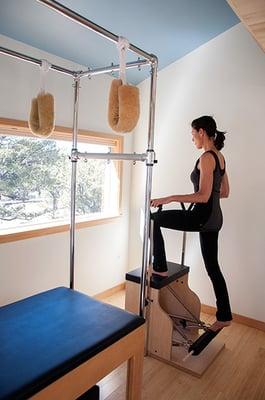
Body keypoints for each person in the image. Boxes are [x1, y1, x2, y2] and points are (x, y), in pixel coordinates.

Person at [150, 115, 232, 331]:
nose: (192, 138)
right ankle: (224, 316)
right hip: (215, 219)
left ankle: (159, 268)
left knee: (153, 219)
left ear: (202, 132)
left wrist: (170, 198)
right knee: (213, 267)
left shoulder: (206, 158)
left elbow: (204, 196)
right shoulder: (220, 157)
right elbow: (224, 192)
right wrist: (206, 195)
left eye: (193, 134)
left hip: (202, 217)